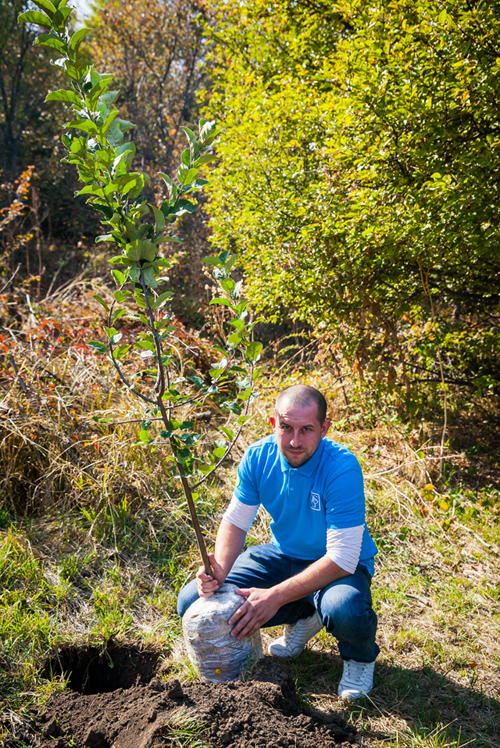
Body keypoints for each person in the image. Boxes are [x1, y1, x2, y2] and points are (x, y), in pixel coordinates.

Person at [177, 384, 379, 700]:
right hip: (283, 555)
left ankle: (358, 658)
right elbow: (235, 520)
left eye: (306, 430)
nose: (295, 441)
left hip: (338, 566)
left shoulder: (341, 468)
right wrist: (220, 571)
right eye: (286, 427)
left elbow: (343, 556)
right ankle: (303, 614)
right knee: (193, 600)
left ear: (324, 429)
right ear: (274, 424)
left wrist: (274, 596)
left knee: (345, 609)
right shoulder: (259, 456)